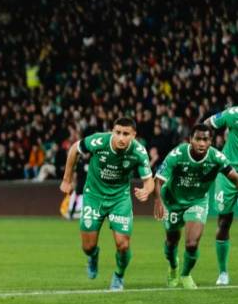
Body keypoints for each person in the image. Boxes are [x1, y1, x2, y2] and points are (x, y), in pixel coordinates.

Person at [59, 117, 154, 291]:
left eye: (126, 134)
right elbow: (74, 149)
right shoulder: (99, 141)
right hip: (93, 197)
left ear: (134, 135)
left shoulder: (139, 151)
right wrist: (67, 179)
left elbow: (149, 180)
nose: (121, 138)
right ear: (112, 131)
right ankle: (93, 256)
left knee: (123, 245)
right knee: (87, 247)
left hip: (120, 199)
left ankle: (118, 276)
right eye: (117, 132)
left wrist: (147, 190)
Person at [153, 124, 238, 288]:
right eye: (198, 139)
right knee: (172, 241)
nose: (201, 143)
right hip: (173, 200)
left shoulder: (217, 158)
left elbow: (234, 177)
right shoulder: (177, 154)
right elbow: (159, 180)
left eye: (205, 139)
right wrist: (158, 202)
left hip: (197, 201)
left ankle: (185, 275)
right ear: (190, 140)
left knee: (192, 243)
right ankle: (173, 266)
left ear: (211, 141)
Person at [204, 106, 238, 285]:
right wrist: (207, 146)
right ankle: (223, 272)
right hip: (228, 172)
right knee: (224, 222)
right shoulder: (233, 114)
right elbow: (207, 124)